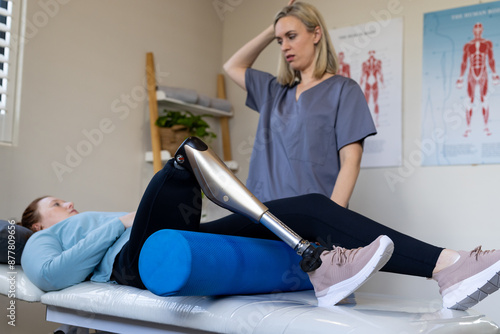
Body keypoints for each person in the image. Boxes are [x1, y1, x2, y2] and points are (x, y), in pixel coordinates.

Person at [20, 157, 500, 310]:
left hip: (177, 238)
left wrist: (119, 221)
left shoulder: (88, 221)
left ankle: (449, 267)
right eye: (59, 205)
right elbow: (49, 277)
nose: (71, 204)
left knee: (308, 208)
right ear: (37, 222)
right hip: (138, 262)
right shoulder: (41, 240)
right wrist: (114, 223)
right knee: (182, 165)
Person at [223, 1, 376, 207]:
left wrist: (332, 217)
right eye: (279, 41)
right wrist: (275, 27)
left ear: (316, 34)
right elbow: (232, 66)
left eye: (291, 36)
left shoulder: (344, 90)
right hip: (262, 215)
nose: (285, 46)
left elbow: (351, 161)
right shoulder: (274, 91)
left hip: (312, 216)